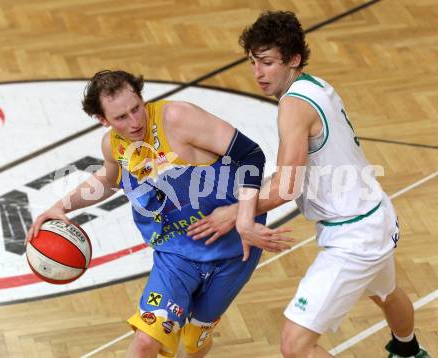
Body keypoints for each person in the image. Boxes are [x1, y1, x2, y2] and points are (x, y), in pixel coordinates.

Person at [187, 11, 430, 358]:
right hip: (375, 215)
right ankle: (409, 352)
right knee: (387, 293)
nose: (258, 72)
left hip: (353, 237)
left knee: (294, 346)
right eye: (254, 61)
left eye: (268, 62)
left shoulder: (293, 106)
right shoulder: (317, 86)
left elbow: (286, 187)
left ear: (294, 59)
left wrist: (236, 213)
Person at [25, 70, 293, 358]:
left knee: (192, 344)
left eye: (136, 109)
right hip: (176, 253)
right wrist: (61, 206)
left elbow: (251, 155)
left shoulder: (178, 118)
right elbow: (109, 180)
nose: (135, 122)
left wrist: (239, 213)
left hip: (233, 249)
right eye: (121, 118)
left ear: (142, 98)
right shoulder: (113, 145)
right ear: (104, 121)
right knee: (144, 342)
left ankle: (197, 337)